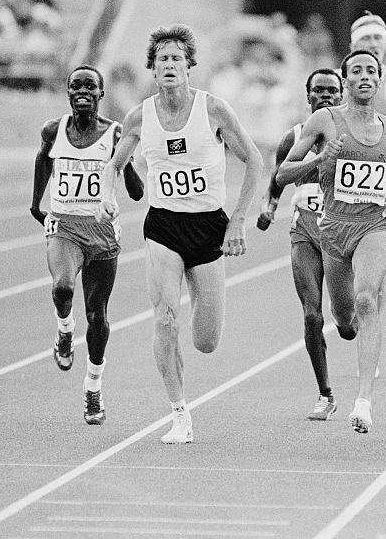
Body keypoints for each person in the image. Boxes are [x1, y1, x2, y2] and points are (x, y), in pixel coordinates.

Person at [97, 24, 264, 444]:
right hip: (164, 226)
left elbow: (255, 161)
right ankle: (178, 414)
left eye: (176, 59)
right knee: (164, 320)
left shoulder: (214, 110)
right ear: (152, 69)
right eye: (161, 60)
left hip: (208, 226)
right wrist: (106, 195)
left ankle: (198, 309)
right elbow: (114, 164)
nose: (169, 65)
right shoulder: (140, 115)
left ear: (189, 66)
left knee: (206, 341)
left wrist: (238, 219)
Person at [276, 48, 386, 434]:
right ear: (346, 80)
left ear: (378, 81)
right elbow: (283, 173)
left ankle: (362, 401)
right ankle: (346, 322)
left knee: (367, 299)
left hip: (374, 226)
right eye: (356, 70)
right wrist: (318, 159)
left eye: (371, 71)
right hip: (333, 229)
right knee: (345, 318)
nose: (364, 76)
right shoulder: (325, 119)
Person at [29, 65, 144, 425]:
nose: (82, 90)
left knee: (98, 315)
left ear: (100, 93)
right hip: (64, 225)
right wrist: (36, 203)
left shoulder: (114, 134)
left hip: (102, 231)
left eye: (89, 86)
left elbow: (137, 192)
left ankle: (93, 386)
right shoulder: (54, 130)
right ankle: (65, 330)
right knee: (62, 287)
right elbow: (42, 158)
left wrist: (122, 163)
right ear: (68, 93)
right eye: (75, 85)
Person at [256, 68, 343, 421]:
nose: (325, 96)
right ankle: (325, 394)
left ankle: (349, 319)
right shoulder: (292, 137)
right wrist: (268, 208)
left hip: (341, 231)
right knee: (311, 314)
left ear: (342, 96)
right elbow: (276, 182)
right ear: (308, 97)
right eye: (318, 91)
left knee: (348, 324)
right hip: (304, 231)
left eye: (332, 91)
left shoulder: (352, 135)